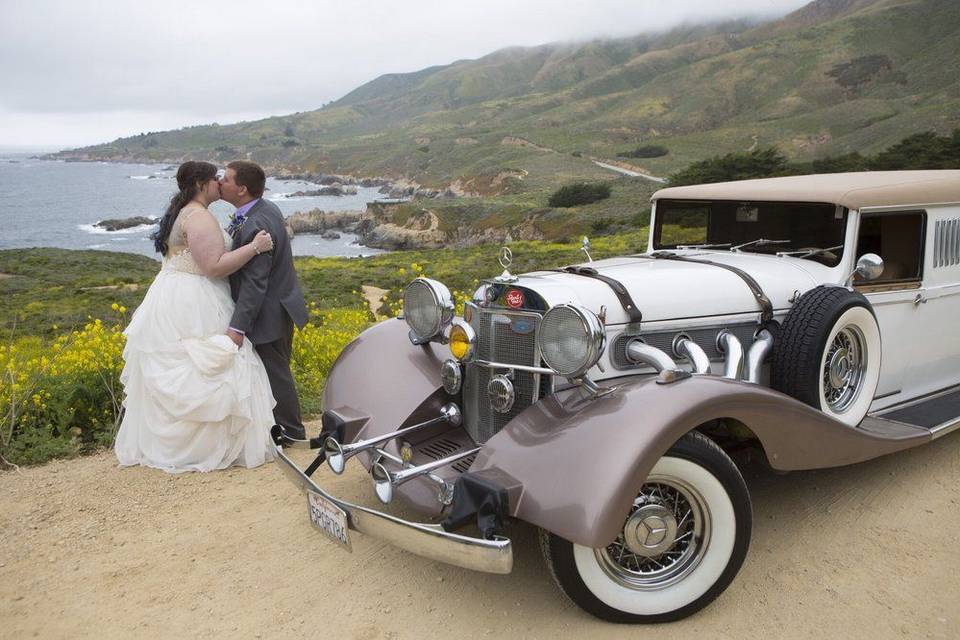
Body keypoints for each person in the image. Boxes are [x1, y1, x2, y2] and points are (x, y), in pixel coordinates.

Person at [115, 161, 278, 472]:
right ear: (202, 184)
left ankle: (180, 444)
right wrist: (254, 248)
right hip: (194, 300)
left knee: (191, 367)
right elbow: (214, 267)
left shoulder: (185, 211)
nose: (220, 183)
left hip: (175, 294)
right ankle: (203, 447)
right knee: (211, 365)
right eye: (216, 179)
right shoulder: (199, 217)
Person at [219, 160, 309, 439]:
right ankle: (280, 429)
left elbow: (255, 282)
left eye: (227, 179)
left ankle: (293, 434)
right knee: (276, 371)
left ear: (242, 189)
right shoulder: (266, 208)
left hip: (269, 311)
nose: (221, 182)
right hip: (283, 304)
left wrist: (237, 326)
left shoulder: (256, 221)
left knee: (275, 373)